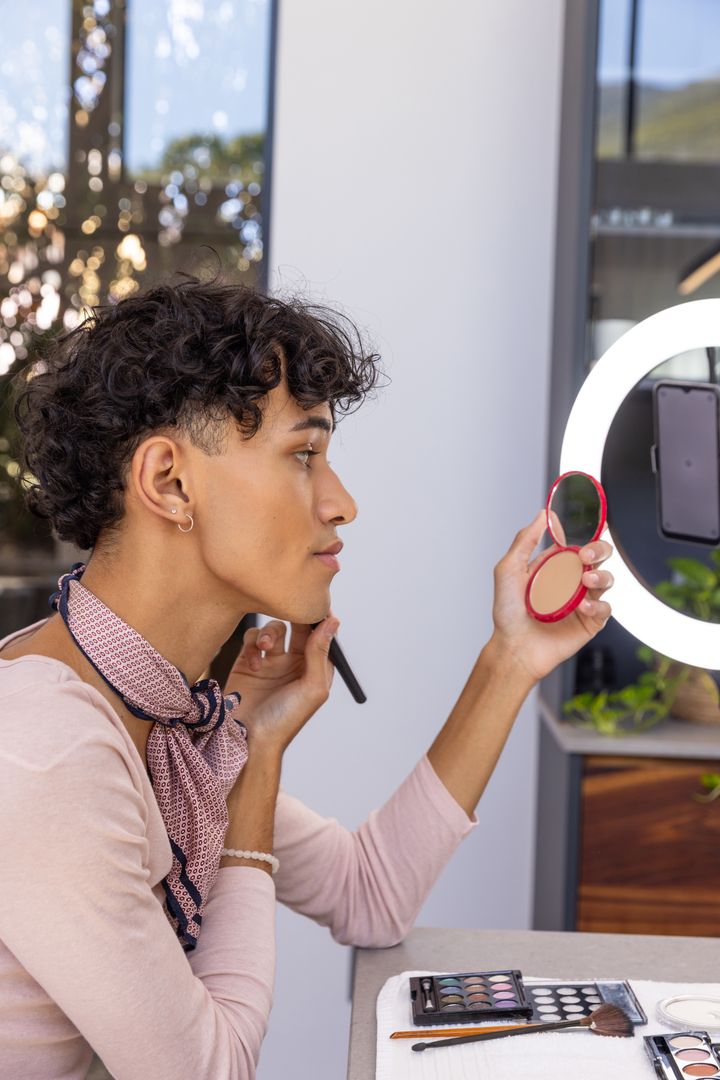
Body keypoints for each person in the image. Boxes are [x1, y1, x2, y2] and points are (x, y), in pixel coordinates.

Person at [0, 279, 612, 1079]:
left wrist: (511, 658)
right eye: (303, 454)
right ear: (170, 483)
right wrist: (253, 770)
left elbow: (370, 895)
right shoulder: (49, 748)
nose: (343, 503)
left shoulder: (169, 727)